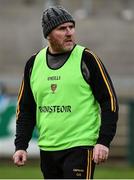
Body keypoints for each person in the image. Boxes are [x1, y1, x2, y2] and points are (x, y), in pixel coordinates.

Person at [13, 6, 118, 179]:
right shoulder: (33, 64)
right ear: (48, 34)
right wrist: (21, 145)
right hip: (48, 148)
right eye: (62, 28)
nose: (69, 32)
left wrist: (103, 141)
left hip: (81, 146)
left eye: (71, 27)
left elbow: (109, 101)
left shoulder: (87, 58)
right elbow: (25, 108)